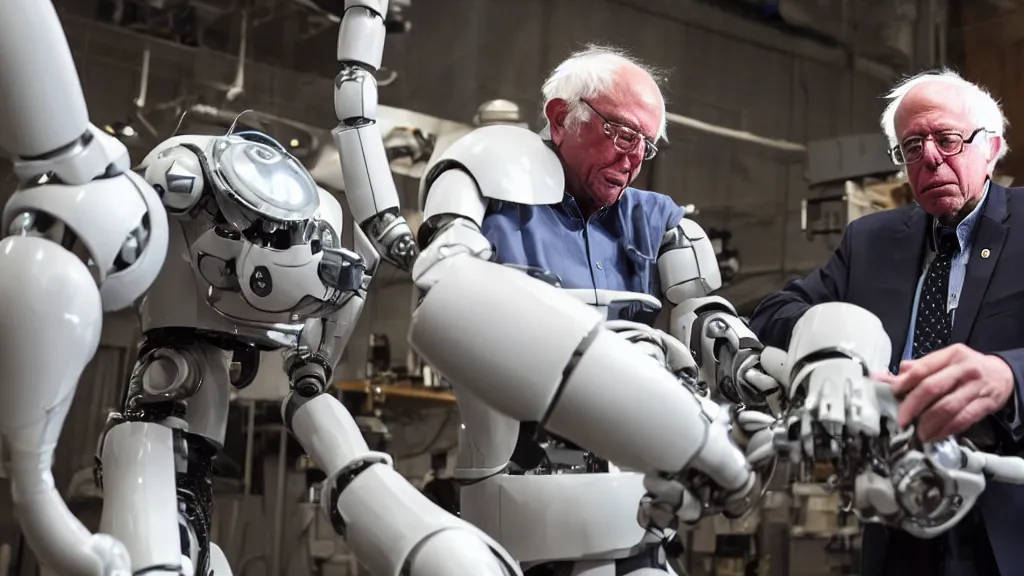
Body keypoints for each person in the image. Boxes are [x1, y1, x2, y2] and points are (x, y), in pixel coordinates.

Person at [749, 69, 1024, 576]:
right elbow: (774, 312)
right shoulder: (871, 241)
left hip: (1007, 520)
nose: (930, 158)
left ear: (992, 147)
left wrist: (1009, 376)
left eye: (947, 139)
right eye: (912, 146)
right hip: (895, 519)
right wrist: (837, 354)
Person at [480, 44, 684, 321]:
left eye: (645, 145)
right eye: (624, 136)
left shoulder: (652, 219)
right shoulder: (491, 201)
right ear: (562, 119)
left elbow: (707, 316)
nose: (634, 161)